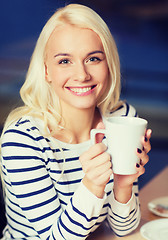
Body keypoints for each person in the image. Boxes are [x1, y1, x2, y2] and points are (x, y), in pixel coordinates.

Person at [0, 4, 152, 240]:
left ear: (108, 64)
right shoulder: (23, 140)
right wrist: (92, 185)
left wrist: (124, 182)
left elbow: (122, 228)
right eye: (64, 61)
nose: (82, 75)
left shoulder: (122, 120)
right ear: (46, 71)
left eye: (93, 58)